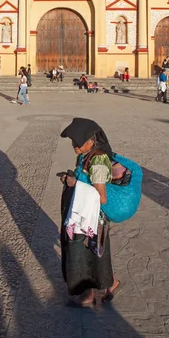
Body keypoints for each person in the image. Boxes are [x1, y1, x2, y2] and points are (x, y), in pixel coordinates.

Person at [59, 118, 122, 307]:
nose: (74, 146)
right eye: (72, 142)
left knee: (82, 253)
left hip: (91, 218)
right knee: (96, 252)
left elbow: (101, 197)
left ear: (91, 142)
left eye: (78, 143)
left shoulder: (99, 161)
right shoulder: (85, 156)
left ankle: (88, 295)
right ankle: (111, 284)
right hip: (85, 214)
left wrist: (74, 183)